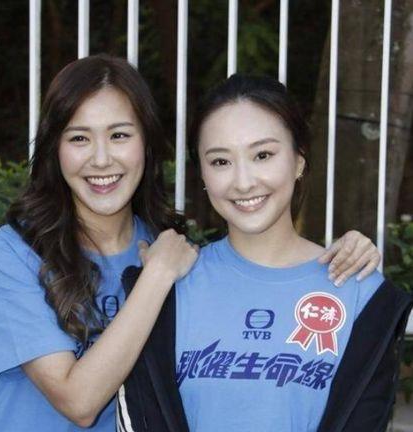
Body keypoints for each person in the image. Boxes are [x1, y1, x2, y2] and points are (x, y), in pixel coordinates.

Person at [0, 55, 383, 432]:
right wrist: (156, 276)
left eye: (119, 135)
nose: (101, 159)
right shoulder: (16, 251)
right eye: (79, 138)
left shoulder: (172, 249)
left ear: (147, 144)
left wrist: (350, 250)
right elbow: (78, 402)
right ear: (55, 148)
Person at [119, 75, 413, 432]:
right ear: (203, 175)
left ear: (299, 160)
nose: (244, 182)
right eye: (221, 161)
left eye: (263, 155)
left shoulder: (360, 292)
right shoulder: (165, 289)